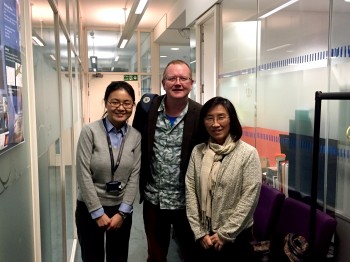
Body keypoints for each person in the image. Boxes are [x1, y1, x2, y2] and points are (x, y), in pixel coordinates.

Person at [132, 59, 202, 262]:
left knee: (191, 254)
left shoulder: (200, 113)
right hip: (155, 201)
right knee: (155, 255)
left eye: (183, 78)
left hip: (187, 203)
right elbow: (134, 142)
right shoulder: (148, 109)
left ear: (191, 83)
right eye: (172, 78)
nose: (177, 83)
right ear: (163, 83)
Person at [185, 96, 262, 262]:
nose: (215, 124)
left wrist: (225, 233)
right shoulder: (198, 152)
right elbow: (190, 190)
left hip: (236, 237)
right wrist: (199, 232)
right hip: (204, 236)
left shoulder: (247, 153)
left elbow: (249, 198)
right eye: (209, 118)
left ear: (231, 119)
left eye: (221, 117)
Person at [75, 81, 141, 262]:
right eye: (115, 102)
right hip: (90, 208)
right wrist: (97, 212)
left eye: (127, 103)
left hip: (121, 208)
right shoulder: (89, 132)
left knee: (118, 258)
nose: (121, 107)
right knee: (92, 257)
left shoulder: (135, 136)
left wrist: (122, 213)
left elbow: (134, 176)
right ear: (106, 103)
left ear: (133, 106)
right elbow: (83, 174)